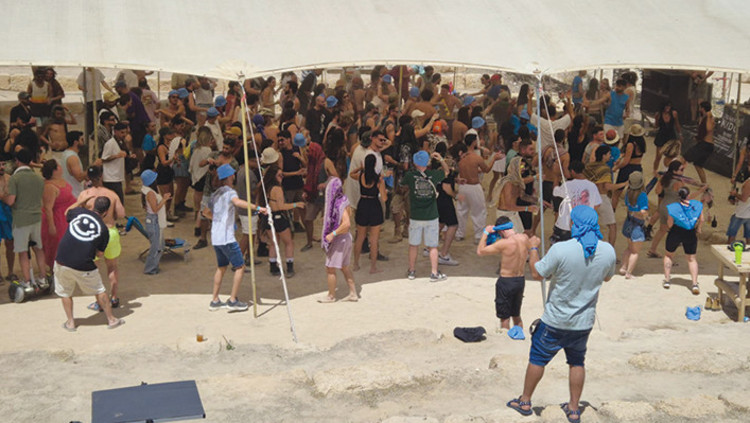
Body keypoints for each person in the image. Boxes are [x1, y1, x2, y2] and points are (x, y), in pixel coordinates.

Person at [507, 206, 616, 422]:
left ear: (574, 224)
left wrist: (533, 248)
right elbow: (607, 277)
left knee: (538, 359)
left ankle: (525, 400)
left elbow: (537, 273)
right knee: (577, 362)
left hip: (556, 319)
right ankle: (574, 408)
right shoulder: (608, 251)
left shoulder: (561, 249)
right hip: (583, 321)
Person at [56, 195, 125, 331]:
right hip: (84, 263)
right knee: (99, 290)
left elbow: (67, 212)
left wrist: (81, 202)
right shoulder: (104, 230)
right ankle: (111, 320)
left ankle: (70, 322)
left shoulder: (78, 212)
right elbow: (99, 254)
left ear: (93, 205)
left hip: (62, 259)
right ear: (106, 212)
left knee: (65, 292)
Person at [205, 164, 264, 311]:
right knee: (240, 266)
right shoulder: (230, 192)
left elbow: (206, 212)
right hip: (227, 238)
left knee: (221, 267)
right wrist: (257, 207)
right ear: (231, 176)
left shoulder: (215, 194)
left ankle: (215, 300)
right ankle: (232, 300)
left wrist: (219, 220)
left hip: (216, 237)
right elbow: (238, 202)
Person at [78, 166, 126, 309]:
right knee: (112, 266)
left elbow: (78, 214)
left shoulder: (84, 194)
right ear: (102, 176)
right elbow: (122, 214)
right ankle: (114, 297)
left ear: (88, 177)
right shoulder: (111, 194)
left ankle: (99, 301)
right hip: (109, 231)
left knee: (95, 269)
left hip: (92, 233)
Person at [1, 149, 48, 288]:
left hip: (21, 220)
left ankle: (27, 281)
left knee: (22, 251)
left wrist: (2, 196)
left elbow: (11, 201)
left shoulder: (15, 179)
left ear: (17, 161)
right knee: (38, 248)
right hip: (37, 217)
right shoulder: (38, 179)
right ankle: (43, 278)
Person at [400, 150, 450, 281]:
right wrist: (441, 159)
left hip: (415, 215)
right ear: (428, 162)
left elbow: (402, 185)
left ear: (415, 163)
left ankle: (411, 271)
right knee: (433, 246)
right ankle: (434, 273)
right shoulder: (434, 174)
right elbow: (447, 172)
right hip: (431, 215)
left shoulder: (410, 176)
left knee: (413, 245)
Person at [476, 216, 530, 331]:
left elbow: (480, 251)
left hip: (506, 281)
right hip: (520, 280)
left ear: (501, 231)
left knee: (504, 317)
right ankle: (519, 335)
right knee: (516, 315)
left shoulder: (504, 243)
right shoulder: (525, 238)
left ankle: (505, 338)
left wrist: (485, 233)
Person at [456, 133, 504, 243]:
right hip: (474, 187)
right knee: (479, 211)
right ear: (474, 142)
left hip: (462, 187)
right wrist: (494, 159)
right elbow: (486, 169)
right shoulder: (476, 158)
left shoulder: (461, 157)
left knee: (461, 210)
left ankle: (460, 233)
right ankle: (478, 236)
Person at [318, 177, 358, 303]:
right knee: (345, 267)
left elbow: (346, 224)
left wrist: (333, 234)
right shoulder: (344, 200)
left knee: (330, 268)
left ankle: (331, 296)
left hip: (340, 239)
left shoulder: (339, 203)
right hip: (346, 239)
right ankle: (353, 293)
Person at [261, 164, 305, 277]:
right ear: (274, 176)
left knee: (273, 243)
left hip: (268, 217)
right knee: (289, 242)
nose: (281, 177)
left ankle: (273, 267)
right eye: (279, 175)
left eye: (282, 175)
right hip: (279, 218)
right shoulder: (277, 189)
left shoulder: (266, 187)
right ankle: (289, 268)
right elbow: (281, 206)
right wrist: (296, 204)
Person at [663, 187, 704, 294]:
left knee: (669, 255)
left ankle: (667, 280)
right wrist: (699, 228)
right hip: (690, 232)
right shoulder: (697, 205)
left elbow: (670, 223)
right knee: (691, 259)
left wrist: (670, 228)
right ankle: (694, 284)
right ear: (688, 195)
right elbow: (702, 219)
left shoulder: (673, 207)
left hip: (676, 232)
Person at [350, 154, 386, 274]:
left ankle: (355, 264)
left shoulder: (361, 176)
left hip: (363, 204)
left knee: (360, 237)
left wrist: (360, 168)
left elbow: (351, 174)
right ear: (375, 164)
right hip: (374, 205)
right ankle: (373, 267)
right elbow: (384, 198)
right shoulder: (378, 179)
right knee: (374, 239)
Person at [551, 161, 602, 243]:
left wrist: (556, 177)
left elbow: (555, 192)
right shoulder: (592, 186)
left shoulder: (568, 185)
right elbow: (597, 204)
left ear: (572, 171)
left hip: (565, 226)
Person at [41, 160, 76, 272]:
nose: (61, 167)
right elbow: (48, 208)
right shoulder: (49, 186)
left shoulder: (61, 180)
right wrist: (51, 226)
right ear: (54, 170)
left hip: (67, 217)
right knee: (58, 244)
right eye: (59, 166)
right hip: (57, 218)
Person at [620, 172, 649, 279]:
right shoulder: (642, 195)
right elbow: (643, 211)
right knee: (635, 252)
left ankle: (623, 267)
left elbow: (628, 207)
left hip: (629, 221)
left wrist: (632, 212)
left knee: (629, 247)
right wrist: (647, 217)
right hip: (637, 224)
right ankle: (629, 273)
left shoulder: (628, 193)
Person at [140, 170, 169, 275]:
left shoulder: (146, 191)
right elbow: (155, 209)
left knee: (158, 245)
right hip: (153, 221)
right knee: (156, 247)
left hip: (152, 220)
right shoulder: (151, 193)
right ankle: (150, 268)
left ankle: (153, 267)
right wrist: (164, 200)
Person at [101, 122, 133, 204]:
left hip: (117, 176)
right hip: (110, 177)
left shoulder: (121, 142)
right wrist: (117, 156)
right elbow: (104, 158)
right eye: (122, 132)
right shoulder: (110, 144)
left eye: (125, 132)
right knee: (117, 202)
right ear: (115, 132)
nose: (124, 135)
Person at [684, 101, 715, 184]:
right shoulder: (704, 117)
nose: (699, 110)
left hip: (705, 144)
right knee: (698, 165)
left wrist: (708, 116)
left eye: (700, 108)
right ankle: (704, 184)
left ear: (703, 108)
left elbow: (708, 128)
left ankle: (676, 174)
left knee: (685, 157)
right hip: (704, 144)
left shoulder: (709, 117)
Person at [652, 101, 683, 175]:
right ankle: (655, 170)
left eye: (669, 106)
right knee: (658, 155)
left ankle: (670, 170)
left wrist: (680, 134)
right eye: (666, 106)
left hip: (671, 135)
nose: (668, 108)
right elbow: (656, 125)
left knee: (671, 155)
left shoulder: (674, 113)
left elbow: (677, 124)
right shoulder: (658, 114)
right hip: (661, 135)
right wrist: (655, 122)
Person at [0, 165, 17, 282]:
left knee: (10, 243)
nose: (2, 167)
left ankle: (10, 271)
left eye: (2, 164)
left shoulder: (9, 178)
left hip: (8, 213)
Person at [60, 131, 86, 198]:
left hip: (71, 192)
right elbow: (79, 177)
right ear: (75, 142)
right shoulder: (72, 157)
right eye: (81, 139)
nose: (83, 142)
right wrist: (93, 168)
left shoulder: (66, 153)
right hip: (74, 194)